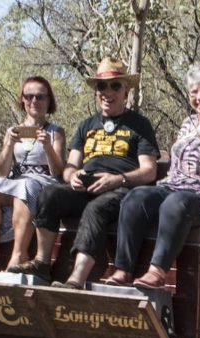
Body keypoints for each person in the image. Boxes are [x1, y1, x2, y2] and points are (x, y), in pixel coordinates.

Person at [102, 63, 200, 288]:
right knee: (135, 197)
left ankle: (157, 271)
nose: (199, 97)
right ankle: (123, 270)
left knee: (175, 203)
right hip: (174, 187)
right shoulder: (188, 123)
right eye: (194, 92)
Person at [28, 57, 159, 288]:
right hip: (86, 188)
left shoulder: (140, 125)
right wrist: (73, 176)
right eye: (101, 86)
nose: (107, 92)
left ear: (126, 91)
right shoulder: (86, 125)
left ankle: (75, 280)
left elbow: (149, 171)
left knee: (95, 208)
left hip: (122, 191)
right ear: (95, 92)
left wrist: (117, 179)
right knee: (49, 194)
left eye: (115, 85)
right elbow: (70, 166)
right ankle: (42, 264)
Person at [0, 76, 65, 272]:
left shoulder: (55, 132)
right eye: (30, 96)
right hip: (16, 180)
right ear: (22, 100)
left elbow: (58, 171)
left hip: (42, 182)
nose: (35, 101)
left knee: (25, 188)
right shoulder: (13, 131)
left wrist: (47, 146)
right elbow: (2, 171)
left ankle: (19, 254)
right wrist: (9, 144)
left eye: (41, 97)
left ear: (48, 101)